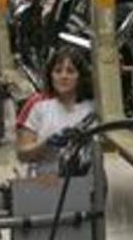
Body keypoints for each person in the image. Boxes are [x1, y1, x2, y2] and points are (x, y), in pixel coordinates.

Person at [15, 46, 94, 175]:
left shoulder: (93, 105)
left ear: (81, 76)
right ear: (50, 75)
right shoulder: (37, 105)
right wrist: (46, 144)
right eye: (58, 71)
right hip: (47, 184)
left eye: (70, 71)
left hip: (90, 182)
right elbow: (22, 154)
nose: (64, 76)